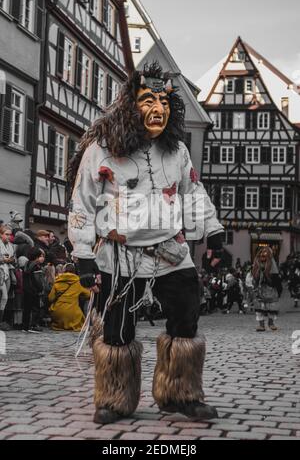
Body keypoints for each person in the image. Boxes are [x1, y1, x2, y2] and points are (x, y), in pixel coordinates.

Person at [68, 62, 224, 424]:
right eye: (149, 100)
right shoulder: (103, 149)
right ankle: (115, 399)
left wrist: (213, 232)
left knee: (186, 320)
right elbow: (82, 202)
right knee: (117, 330)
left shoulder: (177, 152)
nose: (158, 109)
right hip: (119, 256)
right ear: (130, 105)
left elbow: (193, 192)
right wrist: (83, 254)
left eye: (165, 102)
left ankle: (180, 394)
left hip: (170, 254)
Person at [48, 263, 91, 331]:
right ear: (74, 271)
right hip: (72, 314)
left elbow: (50, 298)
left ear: (64, 271)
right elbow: (88, 295)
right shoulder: (78, 282)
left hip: (57, 312)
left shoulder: (57, 281)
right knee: (80, 316)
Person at [252, 246, 282, 332]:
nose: (262, 254)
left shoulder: (272, 265)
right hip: (259, 289)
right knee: (259, 308)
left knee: (271, 308)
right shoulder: (256, 264)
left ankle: (271, 323)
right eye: (261, 253)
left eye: (265, 253)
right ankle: (261, 325)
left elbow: (276, 279)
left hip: (270, 289)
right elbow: (254, 277)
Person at [22, 247, 47, 333]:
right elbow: (37, 280)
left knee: (26, 309)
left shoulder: (27, 264)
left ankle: (25, 326)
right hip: (34, 290)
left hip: (26, 289)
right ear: (36, 257)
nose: (42, 258)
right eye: (41, 256)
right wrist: (40, 289)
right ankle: (33, 325)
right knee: (35, 308)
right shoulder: (36, 266)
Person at [0, 225, 15, 330]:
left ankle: (1, 321)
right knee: (4, 297)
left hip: (8, 271)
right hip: (1, 271)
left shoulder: (11, 245)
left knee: (5, 298)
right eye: (6, 234)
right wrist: (4, 260)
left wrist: (10, 260)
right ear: (1, 234)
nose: (8, 236)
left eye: (10, 234)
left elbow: (13, 258)